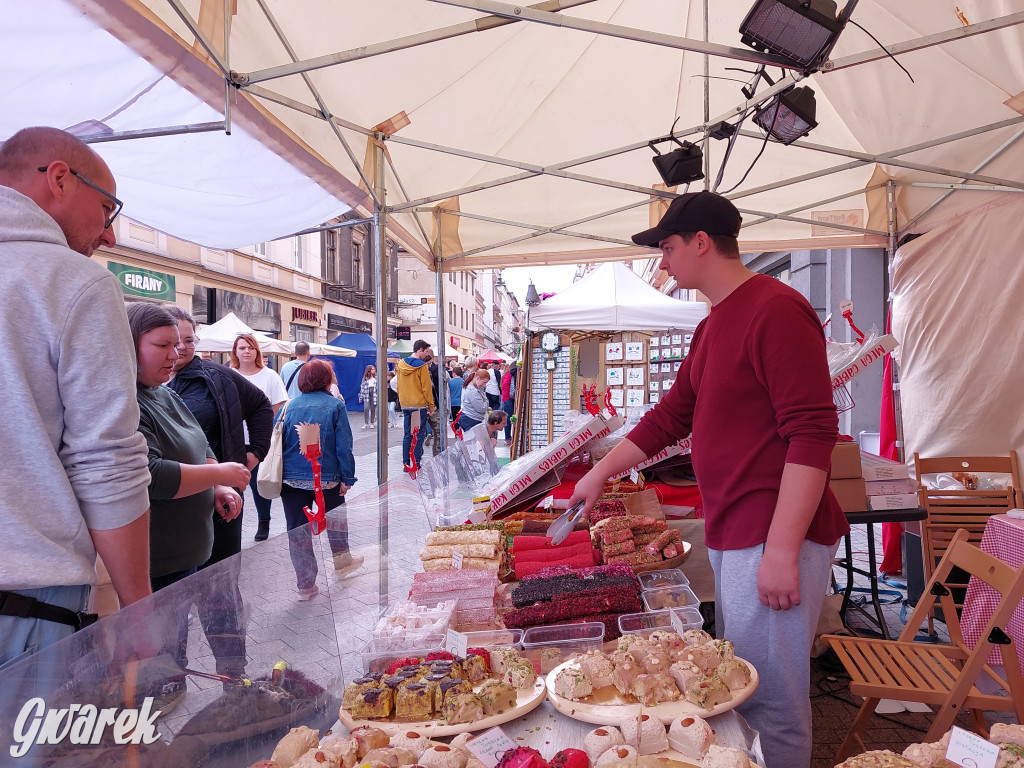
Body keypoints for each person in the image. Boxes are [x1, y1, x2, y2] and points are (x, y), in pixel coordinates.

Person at [568, 191, 849, 768]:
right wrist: (599, 471)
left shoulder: (776, 309)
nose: (664, 263)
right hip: (735, 529)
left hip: (770, 531)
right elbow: (671, 415)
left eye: (669, 248)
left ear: (702, 242)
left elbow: (813, 433)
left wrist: (782, 548)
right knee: (743, 686)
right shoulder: (713, 324)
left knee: (771, 698)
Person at [0, 126, 152, 668]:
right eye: (107, 209)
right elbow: (105, 458)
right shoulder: (73, 281)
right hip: (26, 603)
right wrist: (139, 608)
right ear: (60, 179)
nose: (109, 235)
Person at [129, 302, 249, 708]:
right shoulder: (129, 400)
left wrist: (216, 486)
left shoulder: (164, 393)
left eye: (179, 343)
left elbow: (201, 446)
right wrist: (219, 476)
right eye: (162, 344)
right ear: (129, 345)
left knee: (177, 658)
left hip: (191, 555)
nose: (175, 353)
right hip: (159, 564)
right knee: (163, 667)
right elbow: (153, 475)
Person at [276, 360, 362, 600]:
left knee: (297, 530)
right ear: (326, 379)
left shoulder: (288, 406)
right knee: (336, 523)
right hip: (328, 478)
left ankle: (305, 584)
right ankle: (343, 567)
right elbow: (344, 445)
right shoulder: (335, 406)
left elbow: (277, 440)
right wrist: (348, 477)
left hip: (291, 480)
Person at [230, 333, 289, 542]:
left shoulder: (269, 376)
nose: (246, 351)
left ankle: (264, 521)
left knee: (258, 482)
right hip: (233, 438)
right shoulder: (228, 374)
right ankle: (233, 523)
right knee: (233, 482)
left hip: (259, 439)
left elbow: (279, 405)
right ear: (235, 352)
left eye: (250, 348)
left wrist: (262, 425)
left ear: (257, 351)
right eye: (242, 348)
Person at [396, 340, 438, 471]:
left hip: (406, 404)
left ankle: (406, 463)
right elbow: (426, 388)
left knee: (407, 434)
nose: (426, 354)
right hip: (418, 405)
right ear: (420, 349)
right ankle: (416, 463)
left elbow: (398, 385)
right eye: (426, 351)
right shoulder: (422, 366)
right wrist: (431, 406)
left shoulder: (401, 363)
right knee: (419, 434)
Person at [500, 362, 516, 444]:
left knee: (508, 418)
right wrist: (511, 394)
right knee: (508, 418)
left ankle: (508, 437)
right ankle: (507, 438)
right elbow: (505, 385)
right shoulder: (510, 374)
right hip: (508, 398)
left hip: (506, 398)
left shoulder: (507, 373)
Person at [358, 365, 378, 430]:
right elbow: (362, 388)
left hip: (374, 393)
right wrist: (360, 397)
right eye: (372, 369)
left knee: (373, 408)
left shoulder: (376, 378)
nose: (374, 370)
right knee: (366, 408)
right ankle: (366, 423)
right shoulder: (365, 378)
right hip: (367, 394)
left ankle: (372, 423)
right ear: (369, 370)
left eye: (374, 369)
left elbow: (378, 388)